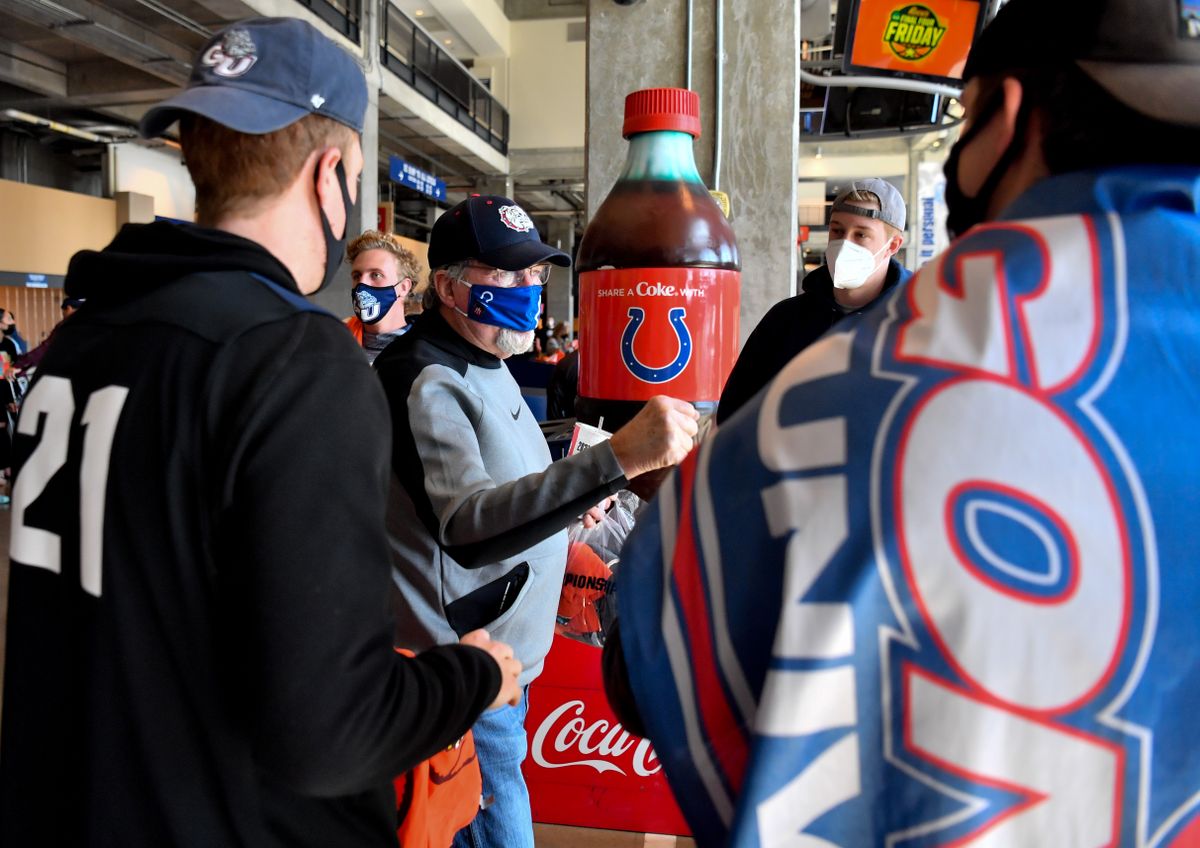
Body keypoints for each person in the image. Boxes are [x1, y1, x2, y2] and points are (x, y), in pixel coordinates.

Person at [603, 0, 1200, 844]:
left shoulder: (857, 390)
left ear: (1008, 112)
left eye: (963, 119)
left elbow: (650, 657)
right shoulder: (795, 330)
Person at [0, 18, 522, 848]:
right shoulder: (291, 360)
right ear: (333, 174)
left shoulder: (85, 340)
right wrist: (471, 677)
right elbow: (328, 731)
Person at [374, 193, 700, 848]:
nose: (530, 288)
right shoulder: (424, 379)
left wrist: (581, 505)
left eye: (535, 273)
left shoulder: (488, 362)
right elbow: (468, 524)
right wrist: (617, 458)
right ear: (448, 285)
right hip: (465, 676)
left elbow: (511, 496)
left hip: (504, 669)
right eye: (509, 274)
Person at [716, 178, 910, 424]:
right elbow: (734, 413)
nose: (844, 244)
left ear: (892, 245)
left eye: (861, 234)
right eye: (837, 230)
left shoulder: (914, 328)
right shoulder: (786, 320)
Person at [346, 229, 421, 364]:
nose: (362, 284)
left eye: (376, 275)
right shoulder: (337, 340)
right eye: (357, 276)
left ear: (404, 287)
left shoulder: (423, 351)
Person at [14, 296, 85, 373]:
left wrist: (19, 364)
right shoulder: (92, 324)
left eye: (63, 311)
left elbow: (46, 348)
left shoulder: (67, 325)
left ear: (69, 308)